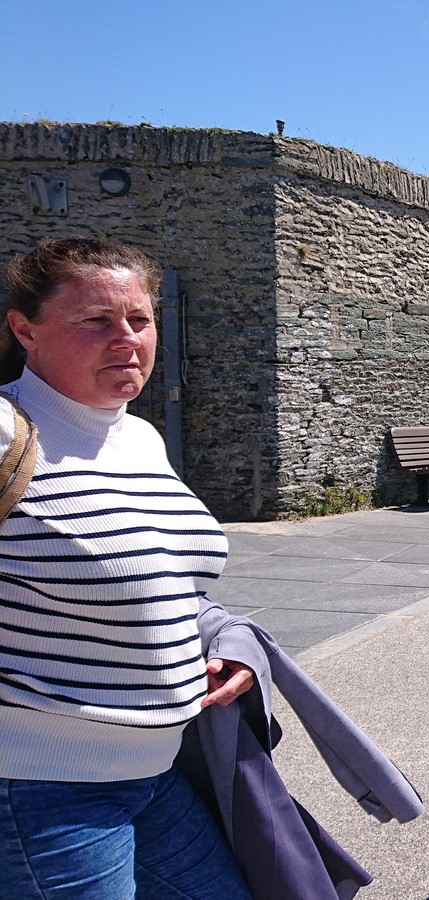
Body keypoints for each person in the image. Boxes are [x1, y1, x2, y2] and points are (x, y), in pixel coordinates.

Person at [0, 237, 256, 897]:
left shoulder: (138, 436)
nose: (127, 339)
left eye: (139, 320)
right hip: (40, 789)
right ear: (25, 330)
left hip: (154, 773)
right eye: (96, 321)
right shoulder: (5, 430)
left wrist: (227, 636)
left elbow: (165, 580)